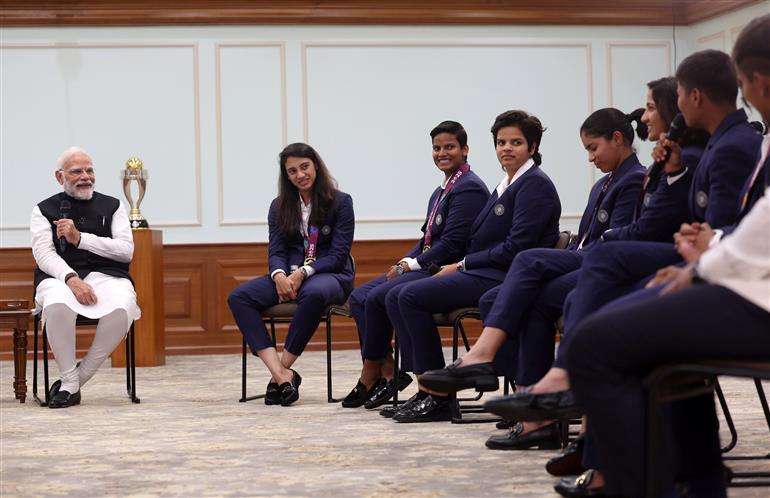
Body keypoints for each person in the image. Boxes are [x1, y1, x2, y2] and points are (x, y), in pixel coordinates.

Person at [484, 18, 770, 495]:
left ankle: (616, 467)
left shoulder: (735, 144)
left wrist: (705, 259)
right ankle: (692, 480)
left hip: (753, 289)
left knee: (598, 333)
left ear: (757, 82)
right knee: (600, 303)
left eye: (746, 86)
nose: (653, 116)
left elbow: (736, 228)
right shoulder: (723, 146)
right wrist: (704, 249)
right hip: (739, 273)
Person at [420, 107, 648, 444]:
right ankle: (532, 406)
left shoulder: (632, 179)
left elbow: (615, 239)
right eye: (500, 142)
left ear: (618, 139)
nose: (589, 157)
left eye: (593, 148)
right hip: (583, 259)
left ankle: (490, 366)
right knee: (502, 298)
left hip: (604, 265)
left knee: (527, 263)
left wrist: (465, 263)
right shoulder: (605, 181)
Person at [383, 110, 562, 423]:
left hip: (505, 276)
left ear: (532, 147)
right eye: (501, 142)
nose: (506, 148)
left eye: (516, 142)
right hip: (484, 270)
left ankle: (436, 395)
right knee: (399, 295)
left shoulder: (534, 184)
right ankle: (428, 388)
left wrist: (462, 264)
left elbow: (516, 248)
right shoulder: (506, 183)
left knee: (409, 295)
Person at [341, 121, 489, 409]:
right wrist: (404, 261)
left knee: (384, 296)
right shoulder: (442, 189)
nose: (442, 153)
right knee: (359, 297)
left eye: (449, 147)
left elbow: (453, 244)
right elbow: (428, 239)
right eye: (436, 148)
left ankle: (379, 375)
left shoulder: (469, 188)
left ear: (465, 149)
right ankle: (385, 371)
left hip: (446, 269)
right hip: (427, 264)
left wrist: (412, 265)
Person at [227, 143, 354, 407]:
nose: (300, 175)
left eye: (304, 167)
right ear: (286, 176)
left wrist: (304, 273)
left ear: (316, 165)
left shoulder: (341, 202)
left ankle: (280, 374)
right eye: (292, 171)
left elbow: (338, 255)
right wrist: (278, 275)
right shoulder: (279, 206)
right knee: (239, 297)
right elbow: (276, 249)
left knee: (313, 291)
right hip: (289, 275)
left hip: (330, 274)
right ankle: (282, 375)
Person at [31, 146, 140, 408]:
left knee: (123, 305)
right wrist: (71, 279)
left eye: (89, 170)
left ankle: (75, 380)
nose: (85, 176)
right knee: (56, 304)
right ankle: (70, 381)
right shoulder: (44, 209)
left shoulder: (113, 205)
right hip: (59, 277)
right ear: (60, 177)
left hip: (107, 275)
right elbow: (43, 254)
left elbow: (126, 251)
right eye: (76, 171)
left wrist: (80, 239)